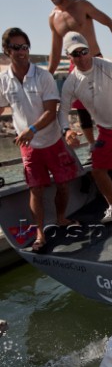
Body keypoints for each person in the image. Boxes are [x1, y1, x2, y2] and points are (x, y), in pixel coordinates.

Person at [0, 27, 78, 253]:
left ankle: (61, 218)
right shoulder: (3, 80)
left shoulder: (43, 76)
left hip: (52, 141)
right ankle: (40, 232)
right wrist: (27, 133)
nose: (22, 51)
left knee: (63, 186)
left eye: (25, 47)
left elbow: (51, 111)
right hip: (28, 146)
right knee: (36, 189)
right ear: (7, 51)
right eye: (16, 47)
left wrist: (32, 129)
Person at [58, 32, 112, 223]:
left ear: (90, 51)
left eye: (84, 51)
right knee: (97, 169)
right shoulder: (70, 83)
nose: (81, 57)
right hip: (106, 131)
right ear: (69, 57)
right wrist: (67, 131)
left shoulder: (109, 67)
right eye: (76, 54)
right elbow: (62, 111)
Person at [47, 0, 112, 151]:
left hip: (94, 58)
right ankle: (93, 145)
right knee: (81, 108)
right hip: (74, 63)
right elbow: (55, 51)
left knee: (106, 100)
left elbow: (110, 22)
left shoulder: (81, 5)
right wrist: (48, 74)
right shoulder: (53, 18)